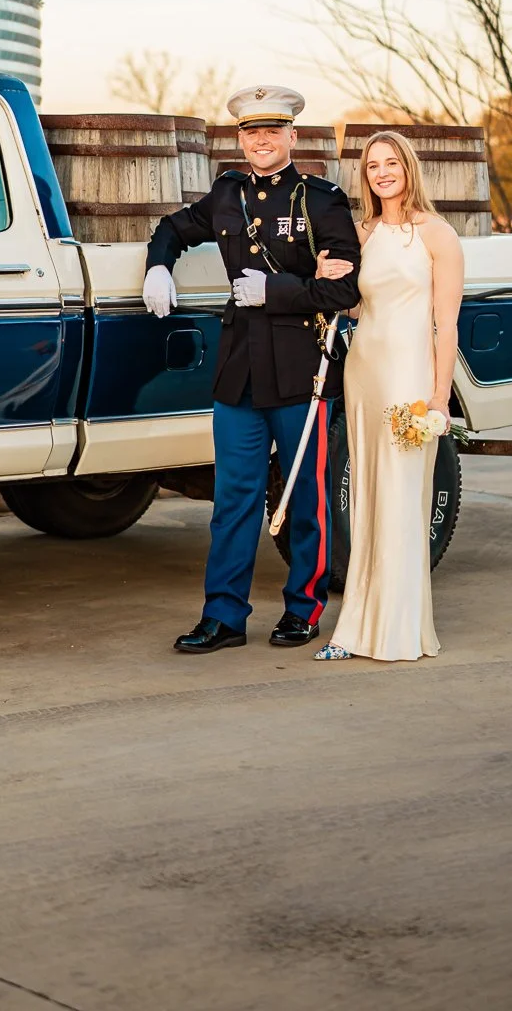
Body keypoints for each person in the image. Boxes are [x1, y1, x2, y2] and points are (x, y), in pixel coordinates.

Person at [143, 85, 361, 653]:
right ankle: (224, 616)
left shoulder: (321, 200)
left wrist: (278, 290)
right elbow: (172, 228)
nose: (261, 140)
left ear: (293, 136)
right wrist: (158, 266)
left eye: (272, 131)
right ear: (239, 139)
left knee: (304, 501)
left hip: (300, 372)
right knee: (233, 498)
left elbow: (345, 289)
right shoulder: (226, 194)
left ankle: (303, 609)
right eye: (250, 132)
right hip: (238, 371)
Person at [313, 129, 465, 663]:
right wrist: (322, 273)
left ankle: (398, 630)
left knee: (401, 500)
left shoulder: (437, 235)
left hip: (409, 379)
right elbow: (355, 307)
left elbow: (446, 326)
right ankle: (353, 627)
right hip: (364, 375)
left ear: (408, 168)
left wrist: (439, 400)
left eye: (391, 163)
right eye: (373, 165)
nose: (382, 172)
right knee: (368, 502)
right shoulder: (362, 232)